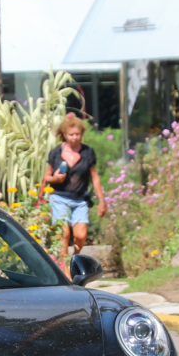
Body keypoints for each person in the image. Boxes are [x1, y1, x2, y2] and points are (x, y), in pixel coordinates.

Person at [43, 113, 106, 268]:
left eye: (77, 134)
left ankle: (74, 260)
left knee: (81, 235)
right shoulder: (56, 153)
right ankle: (64, 268)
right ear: (64, 135)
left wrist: (102, 200)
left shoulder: (87, 153)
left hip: (80, 200)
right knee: (64, 234)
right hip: (59, 198)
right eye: (71, 135)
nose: (75, 137)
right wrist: (55, 179)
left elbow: (94, 177)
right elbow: (46, 178)